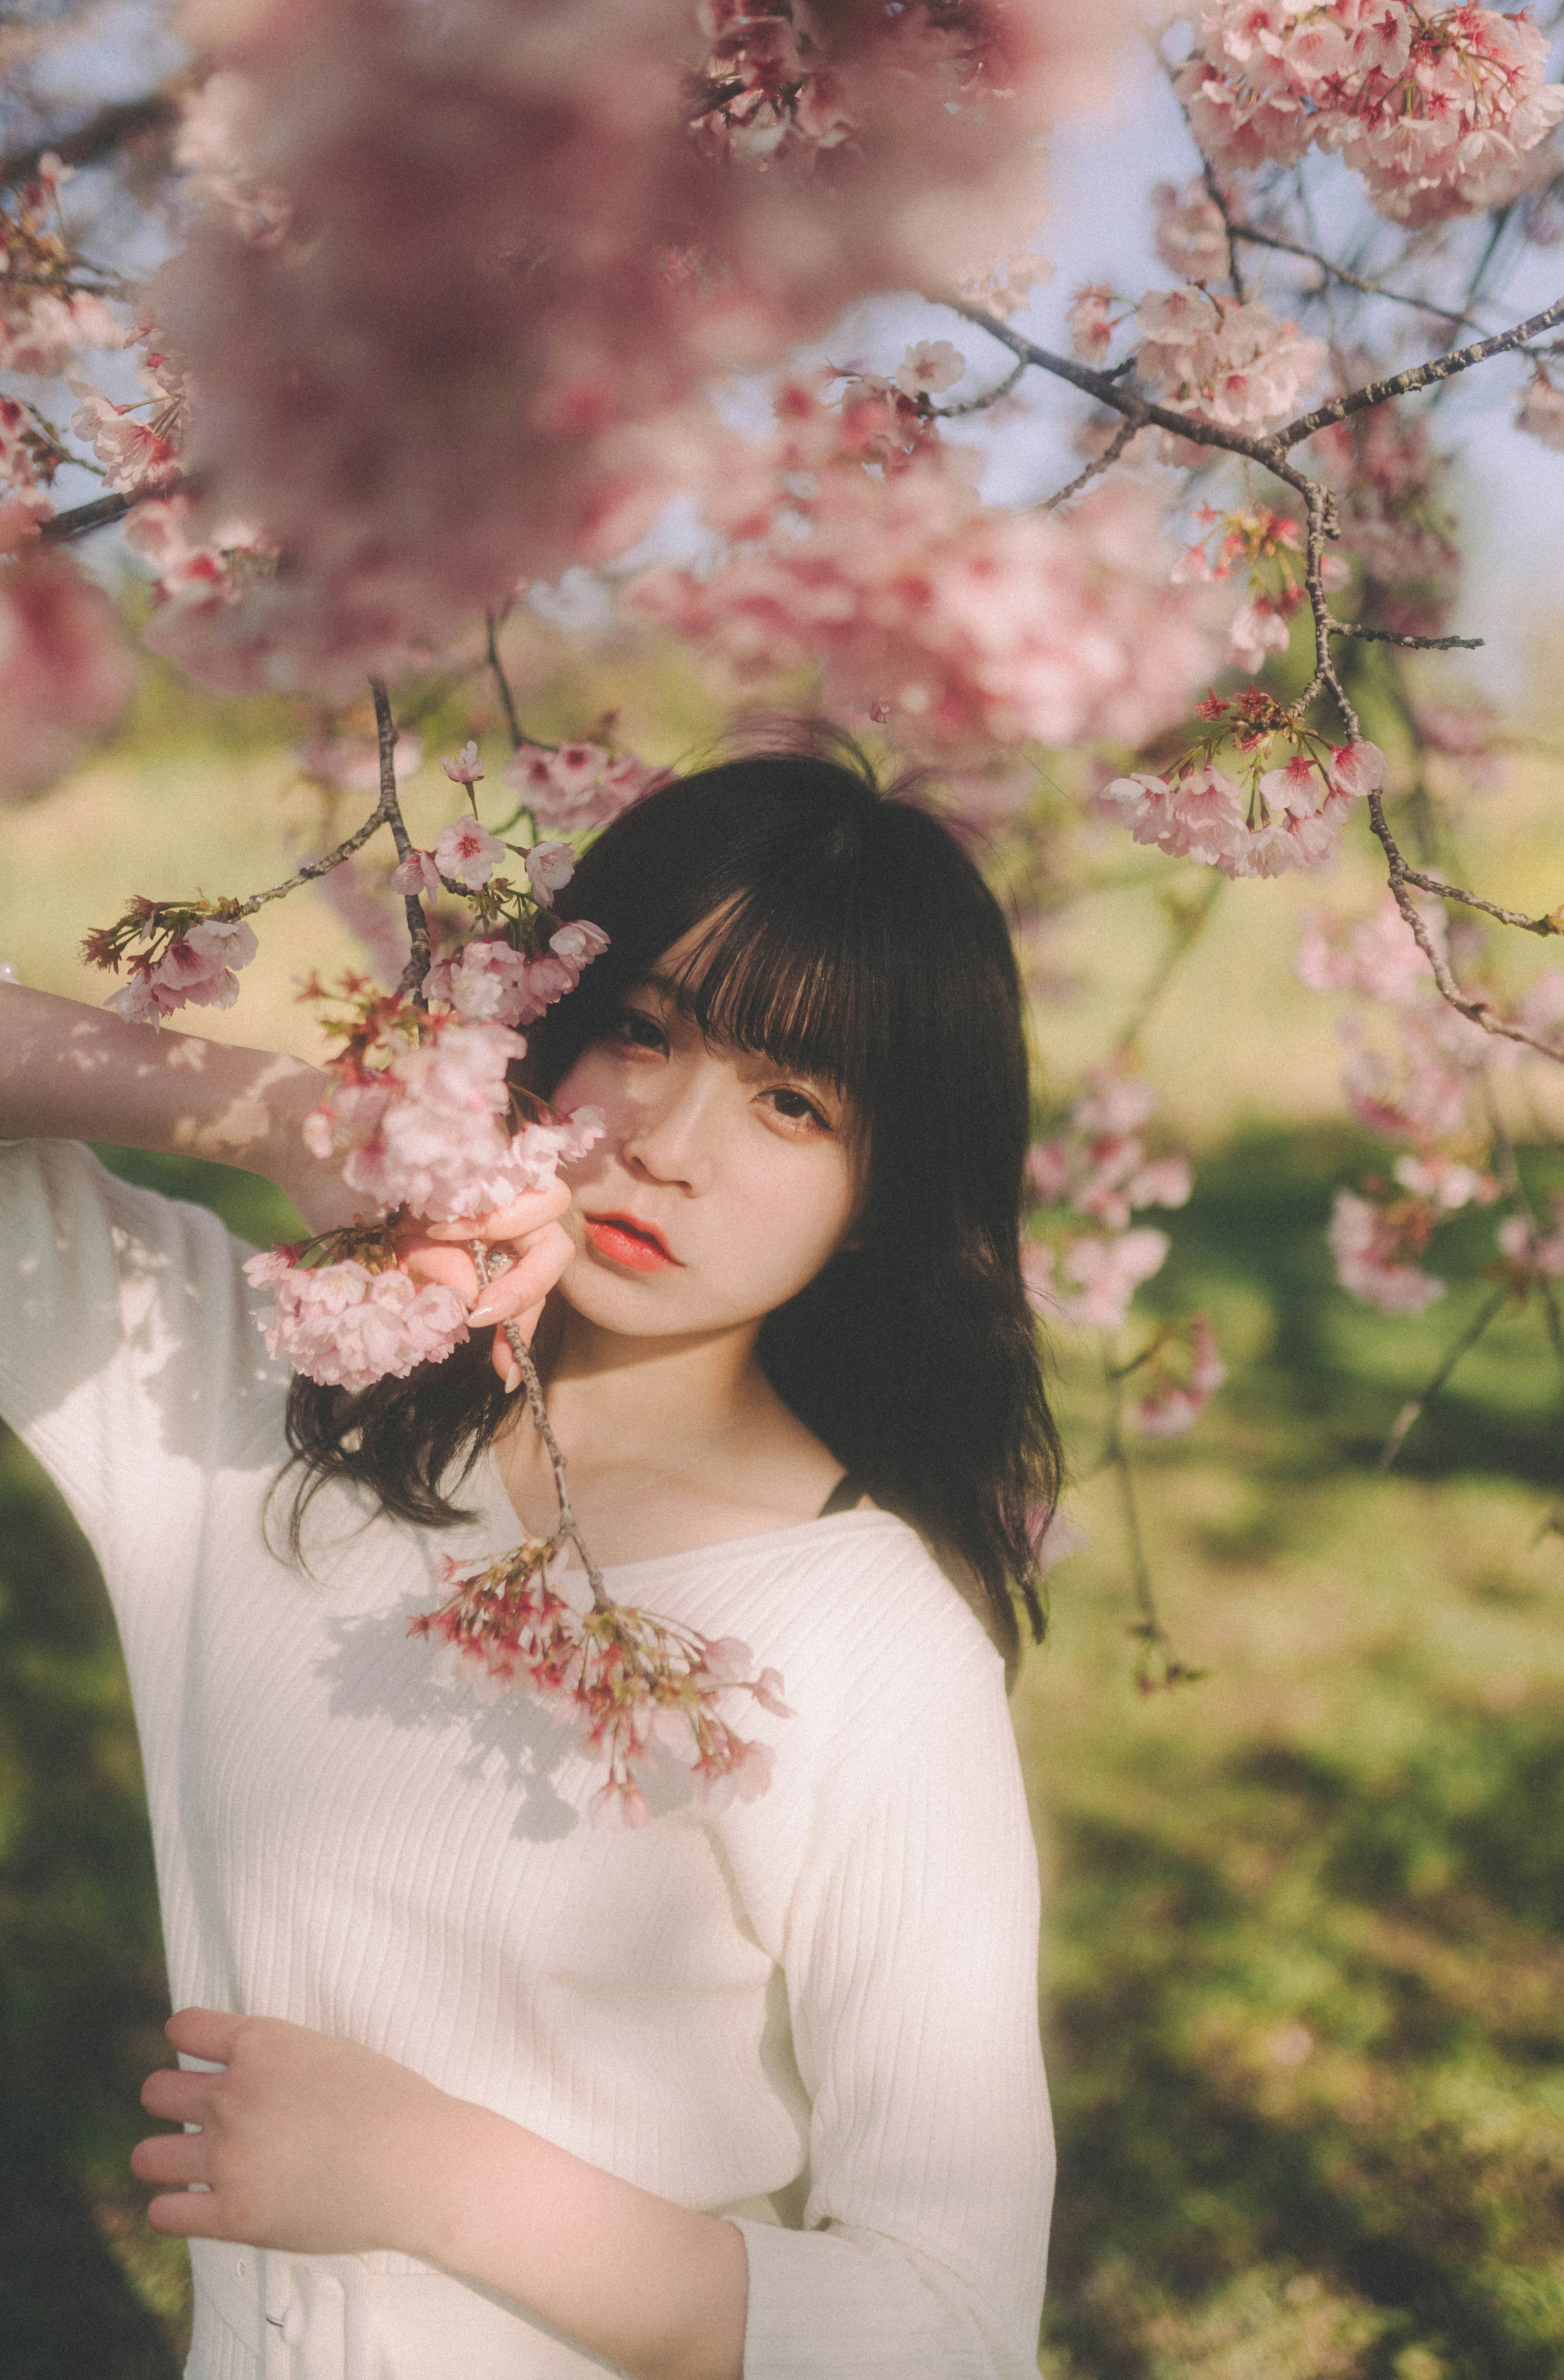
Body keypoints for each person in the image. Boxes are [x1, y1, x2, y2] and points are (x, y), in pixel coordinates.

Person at [0, 736, 1061, 2380]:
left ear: (881, 1194)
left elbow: (954, 2323)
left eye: (794, 1102)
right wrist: (294, 1120)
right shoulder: (263, 1399)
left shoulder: (874, 1648)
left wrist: (449, 2183)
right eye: (642, 1034)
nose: (674, 1143)